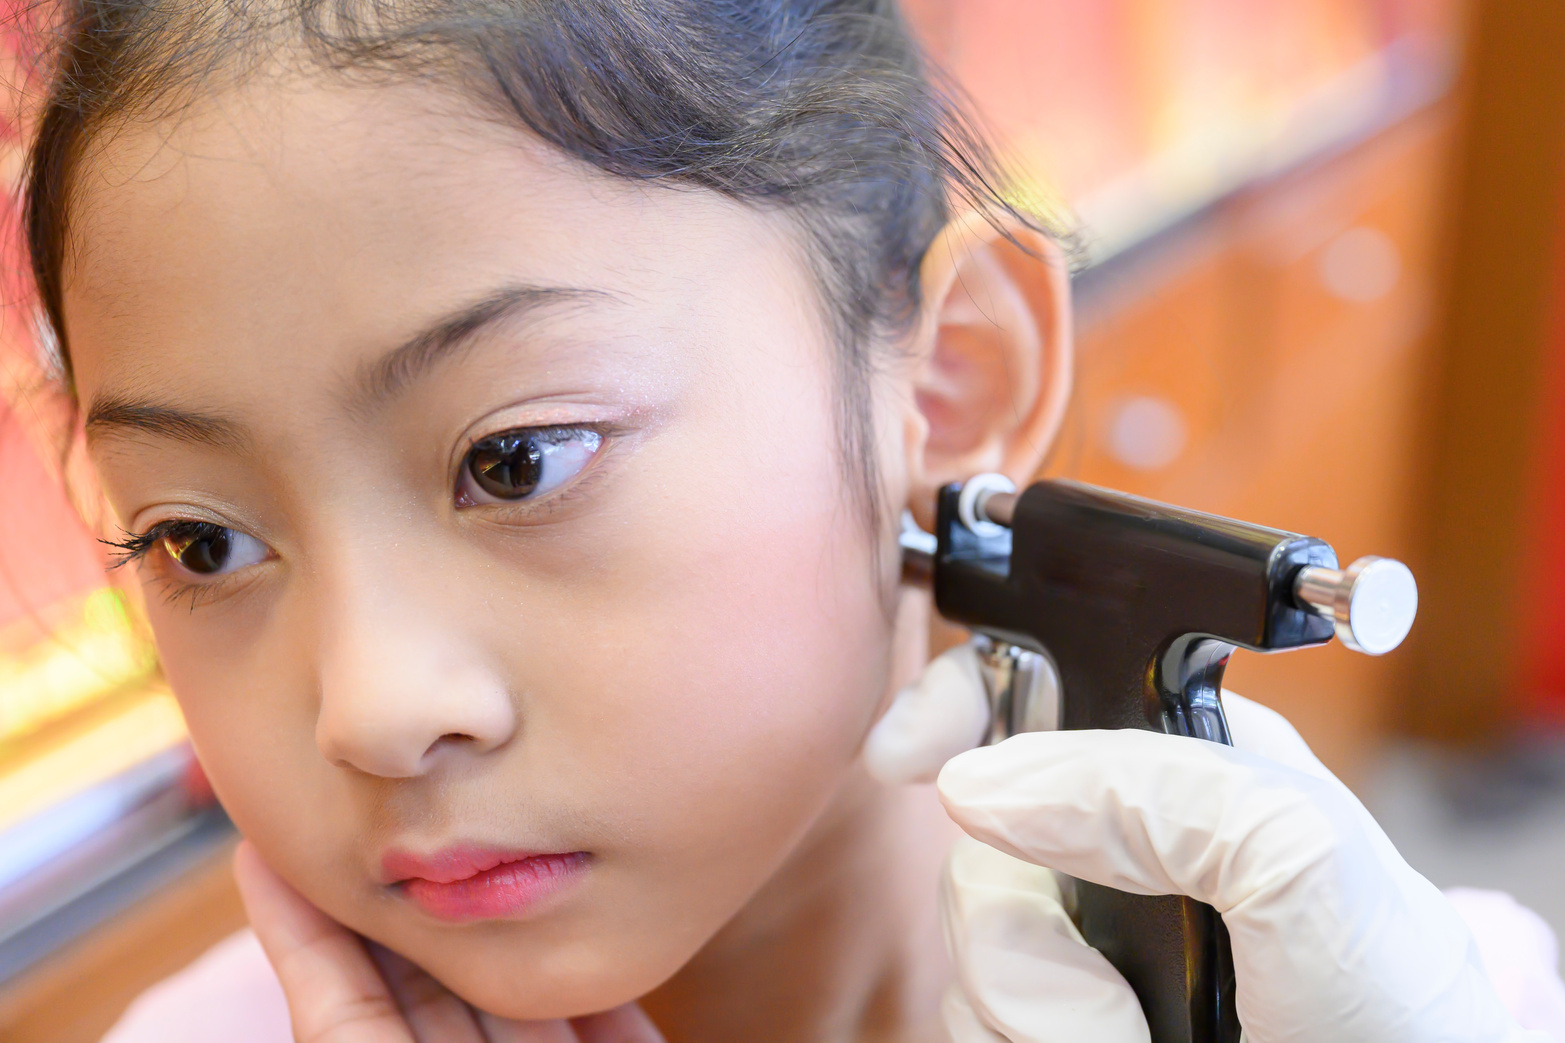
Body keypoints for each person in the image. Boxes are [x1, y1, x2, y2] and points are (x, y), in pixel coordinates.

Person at [18, 0, 1560, 1039]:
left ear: (948, 382)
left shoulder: (1386, 1001)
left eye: (517, 462)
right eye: (199, 542)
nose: (370, 711)